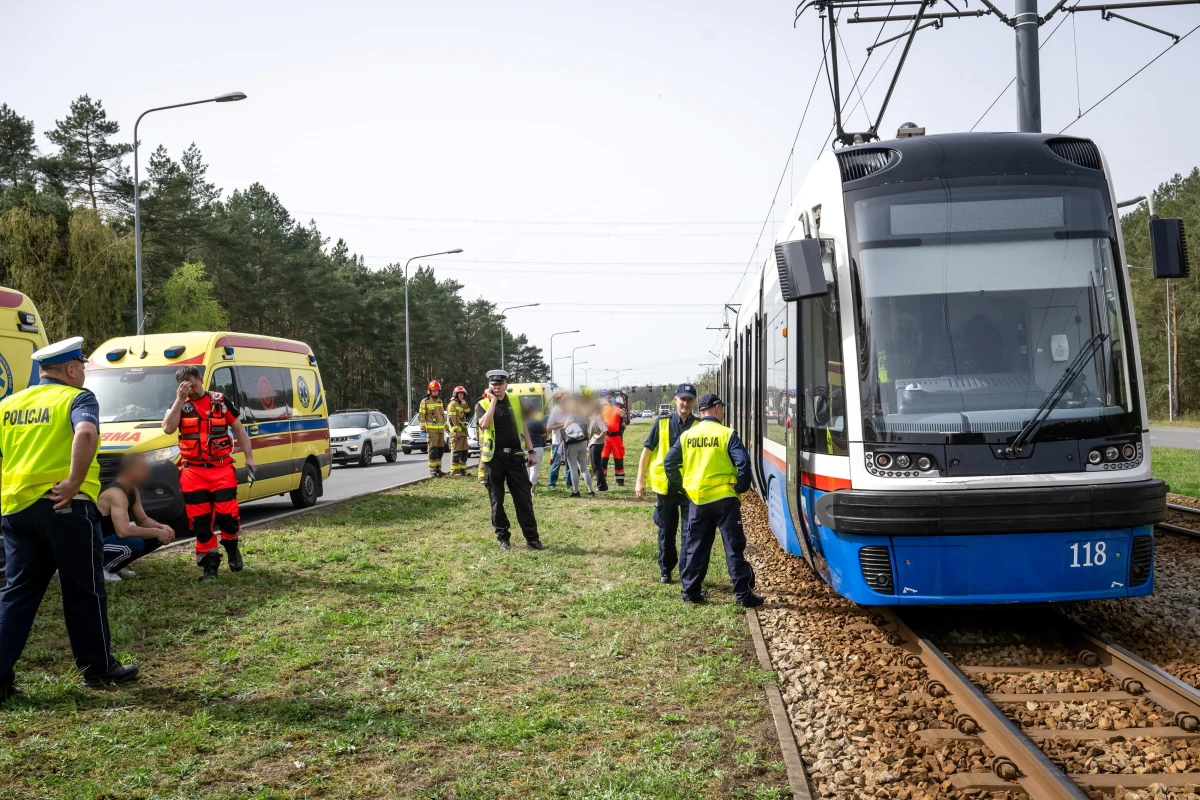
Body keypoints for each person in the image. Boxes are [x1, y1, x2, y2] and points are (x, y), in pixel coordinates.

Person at [0, 337, 138, 699]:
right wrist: (74, 481)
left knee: (17, 593)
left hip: (16, 511)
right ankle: (98, 668)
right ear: (72, 369)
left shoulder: (8, 405)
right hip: (66, 508)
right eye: (83, 368)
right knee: (84, 590)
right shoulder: (77, 398)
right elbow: (86, 432)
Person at [664, 393, 763, 608]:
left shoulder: (687, 436)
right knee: (733, 547)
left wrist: (682, 487)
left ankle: (691, 592)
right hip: (725, 500)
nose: (724, 411)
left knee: (696, 546)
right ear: (717, 408)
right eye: (722, 408)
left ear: (701, 412)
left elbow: (669, 463)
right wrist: (740, 487)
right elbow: (744, 463)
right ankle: (743, 595)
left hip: (698, 499)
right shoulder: (727, 434)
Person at [163, 364, 257, 581]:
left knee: (227, 515)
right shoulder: (179, 404)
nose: (191, 391)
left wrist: (250, 458)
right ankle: (210, 565)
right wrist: (179, 400)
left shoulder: (220, 401)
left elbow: (239, 429)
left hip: (221, 469)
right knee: (200, 521)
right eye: (185, 387)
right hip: (193, 472)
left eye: (193, 385)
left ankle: (232, 546)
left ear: (201, 380)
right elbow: (167, 428)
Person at [635, 383, 698, 584]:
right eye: (683, 399)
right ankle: (666, 570)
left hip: (689, 488)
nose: (685, 403)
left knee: (689, 532)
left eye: (689, 399)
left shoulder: (699, 425)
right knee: (666, 531)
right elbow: (647, 452)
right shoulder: (662, 423)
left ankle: (687, 573)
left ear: (694, 402)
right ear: (675, 399)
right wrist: (639, 480)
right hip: (666, 487)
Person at [476, 370, 544, 551]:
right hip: (493, 459)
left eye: (500, 384)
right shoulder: (482, 404)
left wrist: (531, 451)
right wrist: (492, 401)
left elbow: (523, 427)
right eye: (493, 384)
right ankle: (503, 539)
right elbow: (484, 424)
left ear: (506, 385)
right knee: (496, 500)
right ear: (489, 386)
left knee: (523, 499)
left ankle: (532, 539)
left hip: (515, 456)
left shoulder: (515, 400)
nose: (497, 387)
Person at [99, 452, 176, 581]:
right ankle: (101, 569)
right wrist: (156, 532)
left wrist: (161, 527)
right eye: (143, 468)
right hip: (93, 546)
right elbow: (124, 531)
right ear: (129, 470)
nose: (148, 472)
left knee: (156, 536)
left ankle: (116, 565)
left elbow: (142, 520)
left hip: (110, 541)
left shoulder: (132, 490)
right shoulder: (116, 493)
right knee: (135, 543)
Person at [562, 395, 594, 498]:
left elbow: (564, 429)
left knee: (573, 469)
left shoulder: (571, 416)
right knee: (583, 468)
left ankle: (576, 491)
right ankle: (590, 490)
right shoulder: (583, 417)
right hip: (583, 443)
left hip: (572, 444)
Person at [419, 381, 448, 478]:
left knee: (440, 450)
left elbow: (442, 416)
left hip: (441, 431)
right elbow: (422, 416)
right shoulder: (425, 402)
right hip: (431, 432)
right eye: (434, 390)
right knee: (433, 450)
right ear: (430, 391)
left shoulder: (440, 401)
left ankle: (438, 468)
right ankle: (432, 470)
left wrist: (446, 426)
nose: (435, 392)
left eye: (437, 391)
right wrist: (423, 429)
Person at [545, 391, 573, 490]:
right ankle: (552, 483)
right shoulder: (555, 411)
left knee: (569, 463)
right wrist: (563, 424)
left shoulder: (571, 410)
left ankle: (570, 483)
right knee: (556, 463)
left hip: (570, 440)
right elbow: (549, 427)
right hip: (558, 441)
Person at [601, 395, 628, 486]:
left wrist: (613, 405)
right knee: (603, 458)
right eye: (607, 397)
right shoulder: (603, 407)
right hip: (606, 436)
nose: (608, 399)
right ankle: (602, 479)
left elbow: (622, 414)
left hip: (616, 437)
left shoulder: (620, 406)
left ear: (613, 398)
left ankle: (620, 480)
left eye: (610, 397)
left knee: (618, 458)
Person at [446, 386, 471, 477]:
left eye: (462, 394)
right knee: (456, 452)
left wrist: (466, 405)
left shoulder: (462, 404)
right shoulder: (452, 404)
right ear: (455, 394)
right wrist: (455, 431)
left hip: (463, 433)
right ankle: (454, 471)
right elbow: (451, 419)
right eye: (459, 394)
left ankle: (462, 470)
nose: (461, 395)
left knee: (464, 452)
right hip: (457, 433)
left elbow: (467, 415)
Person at [524, 400, 548, 493]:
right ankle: (532, 491)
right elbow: (543, 433)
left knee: (526, 468)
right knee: (534, 469)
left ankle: (525, 488)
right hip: (537, 447)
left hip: (525, 448)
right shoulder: (537, 422)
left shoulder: (522, 422)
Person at [587, 399, 609, 493]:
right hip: (593, 443)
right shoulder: (593, 417)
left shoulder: (598, 417)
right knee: (594, 465)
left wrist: (598, 436)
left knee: (597, 466)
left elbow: (605, 429)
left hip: (597, 443)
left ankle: (601, 487)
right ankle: (604, 486)